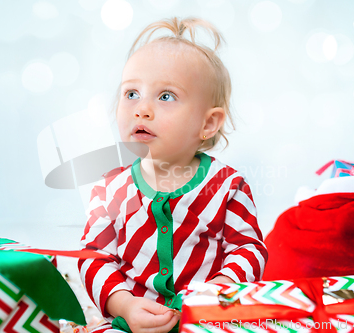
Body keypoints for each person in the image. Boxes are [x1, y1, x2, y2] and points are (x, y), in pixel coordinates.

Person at [77, 17, 268, 333]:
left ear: (208, 124)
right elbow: (93, 257)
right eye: (131, 94)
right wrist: (123, 303)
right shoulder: (111, 188)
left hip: (204, 319)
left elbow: (249, 249)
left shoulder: (226, 186)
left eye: (165, 96)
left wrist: (215, 293)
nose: (142, 109)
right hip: (130, 322)